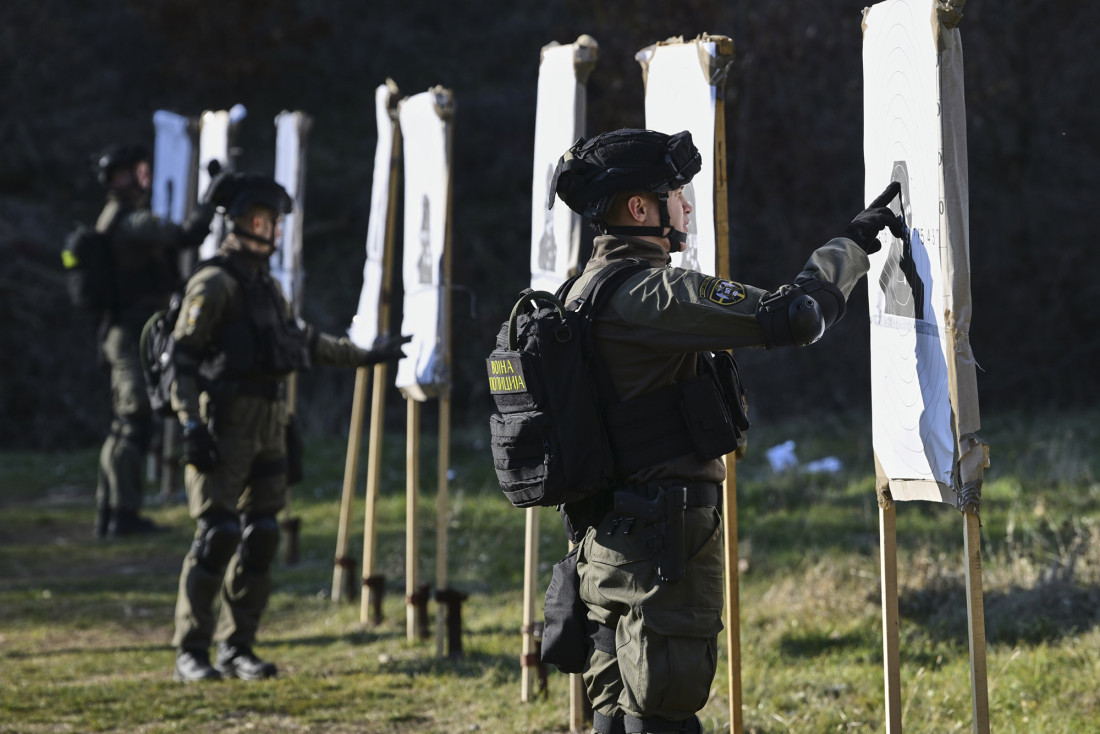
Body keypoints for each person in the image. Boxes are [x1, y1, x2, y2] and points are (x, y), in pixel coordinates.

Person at [548, 128, 904, 734]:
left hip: (603, 542)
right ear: (640, 209)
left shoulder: (579, 291)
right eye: (676, 195)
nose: (687, 208)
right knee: (664, 711)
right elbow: (797, 316)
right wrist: (848, 247)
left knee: (615, 709)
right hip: (660, 545)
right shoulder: (653, 292)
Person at [168, 172, 410, 682]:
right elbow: (181, 362)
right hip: (225, 424)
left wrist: (367, 355)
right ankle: (191, 651)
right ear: (240, 223)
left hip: (271, 423)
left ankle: (237, 646)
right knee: (217, 536)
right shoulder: (213, 285)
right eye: (264, 221)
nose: (272, 231)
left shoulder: (268, 288)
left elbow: (305, 343)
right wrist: (190, 424)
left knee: (261, 535)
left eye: (274, 222)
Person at [93, 143, 213, 538]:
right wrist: (212, 200)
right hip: (129, 334)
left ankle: (111, 512)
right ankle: (122, 515)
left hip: (123, 331)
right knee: (133, 423)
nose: (143, 178)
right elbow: (185, 235)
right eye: (135, 172)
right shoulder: (130, 221)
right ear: (118, 178)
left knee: (124, 425)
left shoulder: (115, 216)